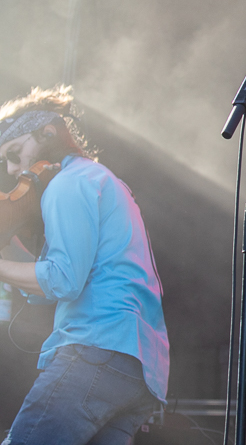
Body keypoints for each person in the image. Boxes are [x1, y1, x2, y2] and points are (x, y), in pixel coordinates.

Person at [0, 86, 168, 445]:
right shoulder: (100, 179)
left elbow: (63, 280)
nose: (13, 169)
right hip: (139, 367)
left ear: (46, 132)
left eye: (14, 153)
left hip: (96, 349)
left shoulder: (68, 183)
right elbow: (50, 287)